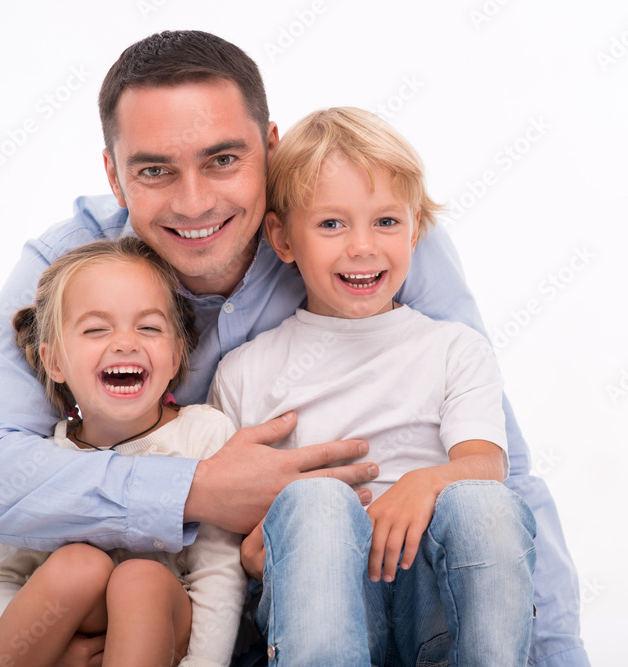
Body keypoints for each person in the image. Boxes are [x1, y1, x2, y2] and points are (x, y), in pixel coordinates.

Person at [0, 30, 588, 667]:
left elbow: (505, 473)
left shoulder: (370, 229)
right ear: (114, 172)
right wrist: (194, 490)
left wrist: (557, 655)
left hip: (323, 580)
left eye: (223, 159)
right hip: (127, 560)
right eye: (155, 170)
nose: (194, 202)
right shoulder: (70, 262)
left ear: (269, 149)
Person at [207, 106, 537, 665]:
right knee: (316, 501)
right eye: (332, 224)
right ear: (283, 238)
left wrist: (425, 483)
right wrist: (251, 556)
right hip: (315, 600)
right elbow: (220, 517)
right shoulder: (245, 370)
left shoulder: (454, 349)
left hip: (432, 599)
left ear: (415, 231)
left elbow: (487, 465)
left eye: (385, 222)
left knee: (481, 504)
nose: (362, 246)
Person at [0, 237, 247, 666]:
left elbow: (218, 574)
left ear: (176, 355)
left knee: (140, 577)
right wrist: (60, 653)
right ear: (54, 362)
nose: (125, 343)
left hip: (168, 633)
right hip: (71, 630)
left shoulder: (204, 434)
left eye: (149, 327)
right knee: (78, 564)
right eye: (96, 329)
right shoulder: (46, 458)